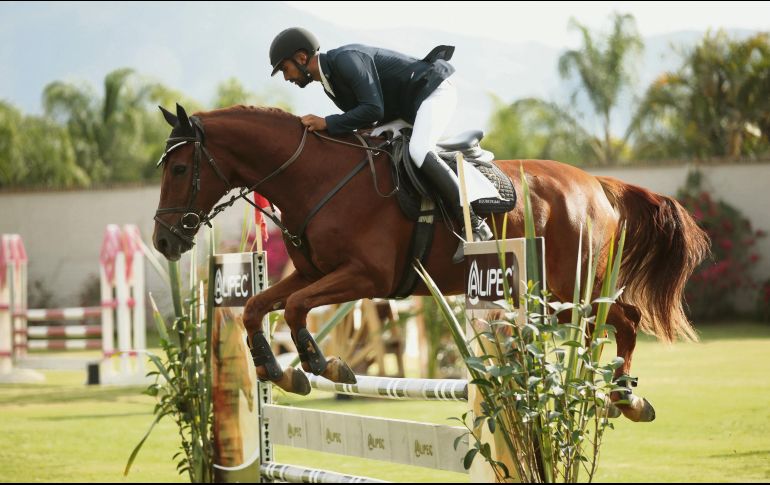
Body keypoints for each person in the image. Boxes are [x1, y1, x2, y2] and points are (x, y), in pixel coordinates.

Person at [269, 27, 493, 263]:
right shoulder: (328, 82)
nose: (286, 77)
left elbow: (373, 109)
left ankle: (474, 223)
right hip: (402, 107)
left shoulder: (346, 60)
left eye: (285, 68)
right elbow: (370, 116)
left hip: (431, 92)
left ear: (302, 58)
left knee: (419, 150)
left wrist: (327, 122)